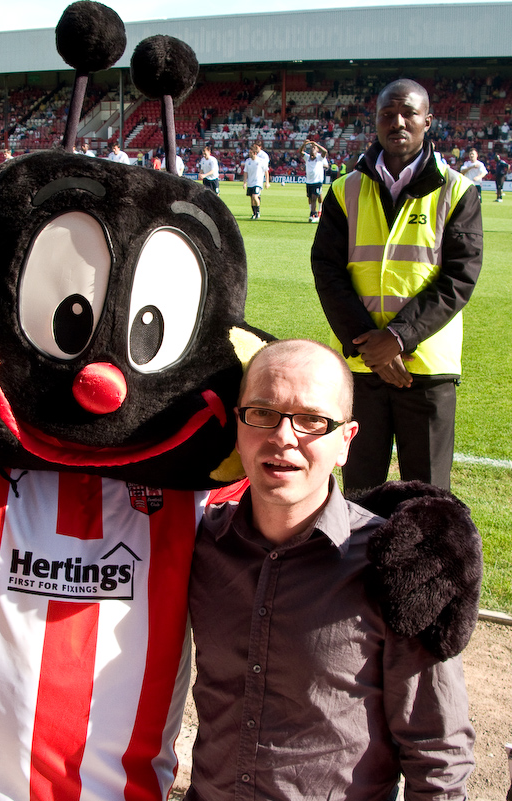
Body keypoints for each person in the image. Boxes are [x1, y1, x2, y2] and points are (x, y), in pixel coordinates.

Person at [188, 338, 475, 801]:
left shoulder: (398, 568)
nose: (283, 437)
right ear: (237, 426)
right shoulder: (201, 546)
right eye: (262, 413)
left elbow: (437, 750)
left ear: (345, 440)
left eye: (311, 420)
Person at [311, 78, 482, 492]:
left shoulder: (457, 190)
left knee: (426, 497)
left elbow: (460, 276)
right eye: (388, 114)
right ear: (375, 122)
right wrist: (368, 344)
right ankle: (358, 561)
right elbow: (326, 270)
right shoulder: (344, 189)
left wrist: (399, 338)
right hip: (363, 364)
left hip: (426, 369)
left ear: (428, 120)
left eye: (408, 113)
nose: (398, 122)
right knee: (358, 492)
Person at [300, 139, 328, 221]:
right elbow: (300, 152)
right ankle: (313, 212)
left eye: (314, 148)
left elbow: (325, 151)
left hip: (317, 181)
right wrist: (304, 144)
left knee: (314, 197)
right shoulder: (307, 157)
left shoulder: (319, 157)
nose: (312, 149)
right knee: (310, 198)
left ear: (317, 150)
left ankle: (314, 214)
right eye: (311, 148)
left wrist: (316, 144)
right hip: (309, 181)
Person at [243, 144, 269, 220]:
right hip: (250, 182)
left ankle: (258, 212)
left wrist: (267, 182)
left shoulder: (261, 161)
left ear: (254, 153)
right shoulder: (248, 161)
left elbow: (266, 171)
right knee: (252, 198)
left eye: (250, 152)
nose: (249, 154)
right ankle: (254, 213)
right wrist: (244, 182)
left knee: (255, 196)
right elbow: (245, 172)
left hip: (258, 182)